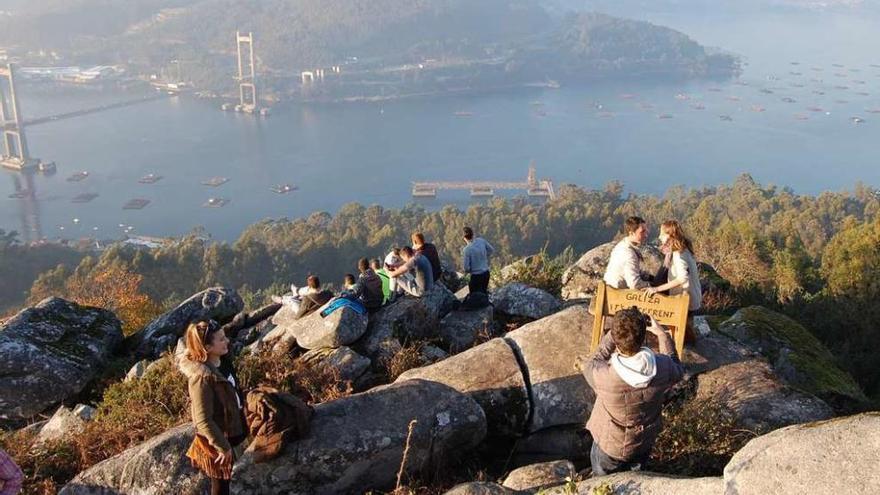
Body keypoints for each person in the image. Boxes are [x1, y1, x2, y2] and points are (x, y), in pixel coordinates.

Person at [578, 307, 684, 477]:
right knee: (637, 476)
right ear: (643, 338)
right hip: (644, 439)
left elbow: (593, 361)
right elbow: (678, 368)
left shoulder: (604, 376)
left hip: (611, 444)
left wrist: (613, 335)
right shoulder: (663, 366)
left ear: (616, 339)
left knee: (602, 481)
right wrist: (663, 335)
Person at [181, 320, 247, 495]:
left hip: (237, 432)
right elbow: (202, 419)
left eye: (225, 337)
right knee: (221, 488)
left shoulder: (222, 360)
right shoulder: (202, 377)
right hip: (221, 442)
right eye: (221, 339)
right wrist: (222, 446)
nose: (227, 342)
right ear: (207, 347)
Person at [645, 220, 702, 342]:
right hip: (690, 296)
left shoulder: (678, 254)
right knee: (684, 328)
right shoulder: (683, 249)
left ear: (671, 235)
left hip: (686, 298)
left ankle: (682, 348)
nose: (659, 237)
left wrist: (656, 289)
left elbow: (682, 278)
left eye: (662, 234)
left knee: (682, 332)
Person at [603, 216, 653, 290]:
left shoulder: (622, 245)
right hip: (617, 296)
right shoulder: (628, 253)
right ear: (631, 233)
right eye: (642, 232)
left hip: (610, 290)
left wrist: (648, 277)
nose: (646, 235)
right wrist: (652, 285)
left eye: (646, 231)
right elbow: (634, 284)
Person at [462, 226, 494, 294]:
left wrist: (472, 268)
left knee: (475, 297)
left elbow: (466, 268)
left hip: (476, 277)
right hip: (486, 273)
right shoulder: (481, 240)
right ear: (473, 234)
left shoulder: (467, 250)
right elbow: (491, 250)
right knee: (484, 292)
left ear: (464, 238)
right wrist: (484, 257)